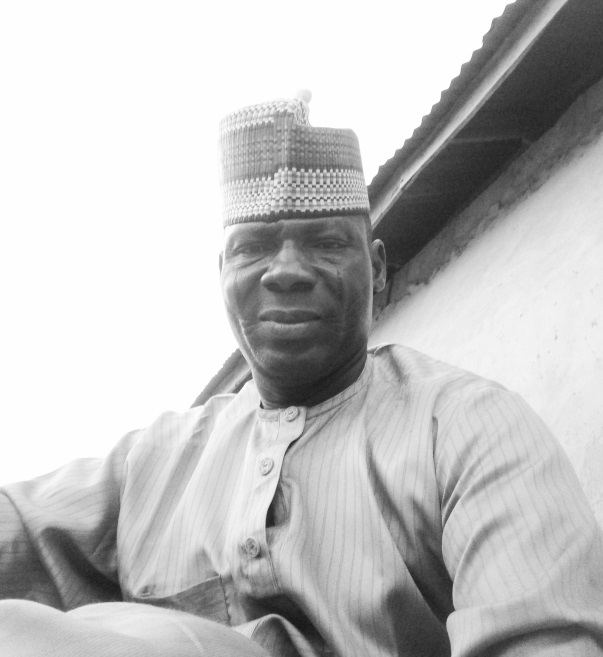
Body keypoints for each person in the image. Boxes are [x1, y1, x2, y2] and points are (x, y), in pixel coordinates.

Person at [1, 92, 603, 657]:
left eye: (325, 242)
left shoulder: (469, 427)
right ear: (221, 274)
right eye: (253, 248)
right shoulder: (152, 464)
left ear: (377, 268)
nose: (285, 270)